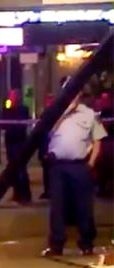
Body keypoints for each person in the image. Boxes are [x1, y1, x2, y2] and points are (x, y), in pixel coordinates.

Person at [43, 79, 108, 257]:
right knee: (57, 207)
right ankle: (57, 244)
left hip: (79, 166)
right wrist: (65, 113)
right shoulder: (55, 113)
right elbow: (45, 131)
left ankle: (86, 243)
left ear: (80, 94)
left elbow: (97, 140)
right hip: (58, 166)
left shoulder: (89, 114)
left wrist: (90, 164)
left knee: (83, 206)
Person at [2, 89, 32, 204]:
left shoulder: (23, 109)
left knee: (22, 169)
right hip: (10, 141)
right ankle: (16, 193)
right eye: (11, 96)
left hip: (20, 141)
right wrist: (8, 107)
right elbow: (4, 123)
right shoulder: (7, 109)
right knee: (12, 168)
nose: (12, 98)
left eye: (14, 96)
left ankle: (25, 195)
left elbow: (23, 123)